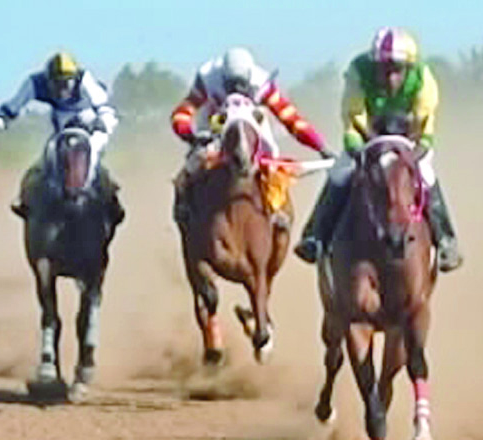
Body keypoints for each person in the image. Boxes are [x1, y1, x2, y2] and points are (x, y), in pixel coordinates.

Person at [294, 28, 463, 272]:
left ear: (409, 67)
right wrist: (357, 148)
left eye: (397, 70)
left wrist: (413, 156)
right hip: (369, 136)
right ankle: (315, 235)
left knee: (426, 174)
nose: (390, 78)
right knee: (341, 171)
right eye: (384, 70)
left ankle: (446, 240)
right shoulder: (358, 72)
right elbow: (353, 117)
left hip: (408, 138)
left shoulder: (423, 79)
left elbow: (425, 130)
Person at [170, 47, 335, 225]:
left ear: (249, 78)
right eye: (231, 85)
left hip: (253, 123)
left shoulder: (262, 84)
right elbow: (183, 111)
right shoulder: (207, 79)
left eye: (241, 85)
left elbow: (290, 118)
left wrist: (320, 146)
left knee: (272, 159)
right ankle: (183, 204)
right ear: (222, 78)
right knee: (195, 162)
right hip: (215, 122)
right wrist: (190, 135)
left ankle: (276, 207)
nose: (236, 90)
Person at [0, 51, 120, 219]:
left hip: (90, 121)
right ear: (48, 79)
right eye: (56, 83)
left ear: (74, 79)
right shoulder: (36, 82)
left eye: (66, 83)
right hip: (61, 125)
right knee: (48, 153)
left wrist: (104, 124)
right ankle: (25, 197)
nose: (61, 89)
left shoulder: (85, 80)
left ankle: (112, 199)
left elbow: (104, 107)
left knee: (93, 149)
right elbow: (14, 105)